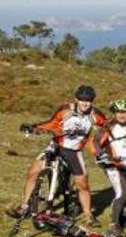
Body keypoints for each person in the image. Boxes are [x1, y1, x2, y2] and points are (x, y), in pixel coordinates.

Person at [9, 85, 106, 224]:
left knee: (82, 184)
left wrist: (101, 141)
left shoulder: (96, 115)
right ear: (76, 99)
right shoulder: (66, 110)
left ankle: (88, 215)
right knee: (33, 172)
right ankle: (25, 206)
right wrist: (34, 127)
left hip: (74, 151)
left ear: (92, 101)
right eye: (82, 100)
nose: (85, 103)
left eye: (89, 100)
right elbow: (51, 123)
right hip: (56, 145)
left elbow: (107, 126)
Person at [92, 99, 126, 237]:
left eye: (125, 111)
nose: (122, 115)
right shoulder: (108, 127)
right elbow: (96, 143)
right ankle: (113, 225)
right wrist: (102, 155)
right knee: (122, 193)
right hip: (113, 165)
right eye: (119, 112)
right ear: (114, 113)